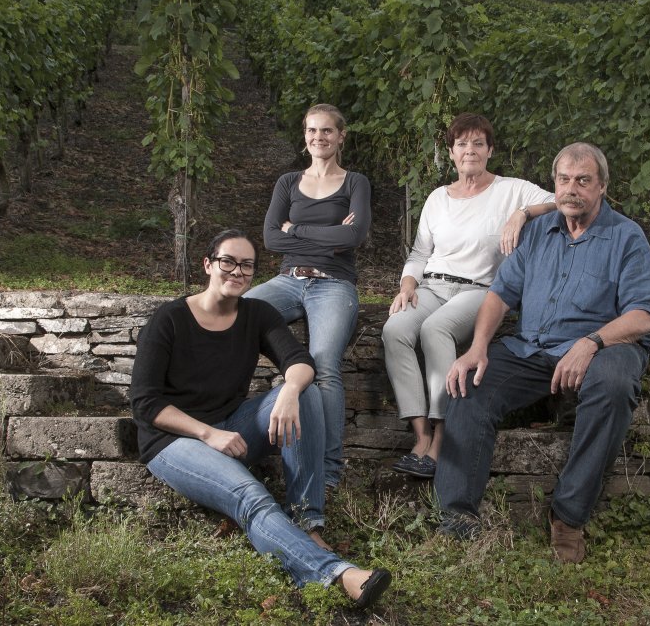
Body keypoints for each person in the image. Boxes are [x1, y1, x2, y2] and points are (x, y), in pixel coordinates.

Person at [130, 229, 391, 607]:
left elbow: (301, 362)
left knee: (307, 391)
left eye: (247, 265)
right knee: (251, 495)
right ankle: (338, 574)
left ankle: (307, 522)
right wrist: (206, 434)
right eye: (228, 262)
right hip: (174, 440)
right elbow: (145, 405)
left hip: (231, 427)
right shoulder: (169, 319)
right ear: (208, 264)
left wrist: (288, 390)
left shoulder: (256, 314)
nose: (237, 271)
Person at [434, 142, 650, 563]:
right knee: (467, 385)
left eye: (583, 180)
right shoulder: (538, 232)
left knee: (613, 386)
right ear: (553, 184)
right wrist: (477, 348)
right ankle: (457, 518)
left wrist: (591, 342)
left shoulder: (626, 236)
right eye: (563, 180)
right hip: (532, 349)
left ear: (602, 187)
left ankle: (569, 518)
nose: (572, 189)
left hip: (605, 347)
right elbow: (499, 296)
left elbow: (644, 315)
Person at [382, 113, 555, 479]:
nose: (470, 150)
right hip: (431, 285)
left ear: (490, 150)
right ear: (451, 152)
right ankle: (421, 436)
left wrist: (522, 214)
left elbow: (561, 200)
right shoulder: (436, 198)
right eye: (462, 144)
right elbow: (418, 254)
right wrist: (407, 285)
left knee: (435, 331)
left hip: (479, 290)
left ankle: (444, 436)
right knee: (395, 330)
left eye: (478, 143)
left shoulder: (512, 190)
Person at [245, 104, 371, 489]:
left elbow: (354, 237)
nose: (319, 137)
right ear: (305, 136)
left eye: (327, 131)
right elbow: (270, 238)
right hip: (287, 279)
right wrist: (329, 232)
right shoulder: (287, 182)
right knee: (238, 317)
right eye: (312, 131)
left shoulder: (355, 183)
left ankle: (330, 470)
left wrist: (295, 228)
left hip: (334, 284)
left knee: (325, 365)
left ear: (341, 135)